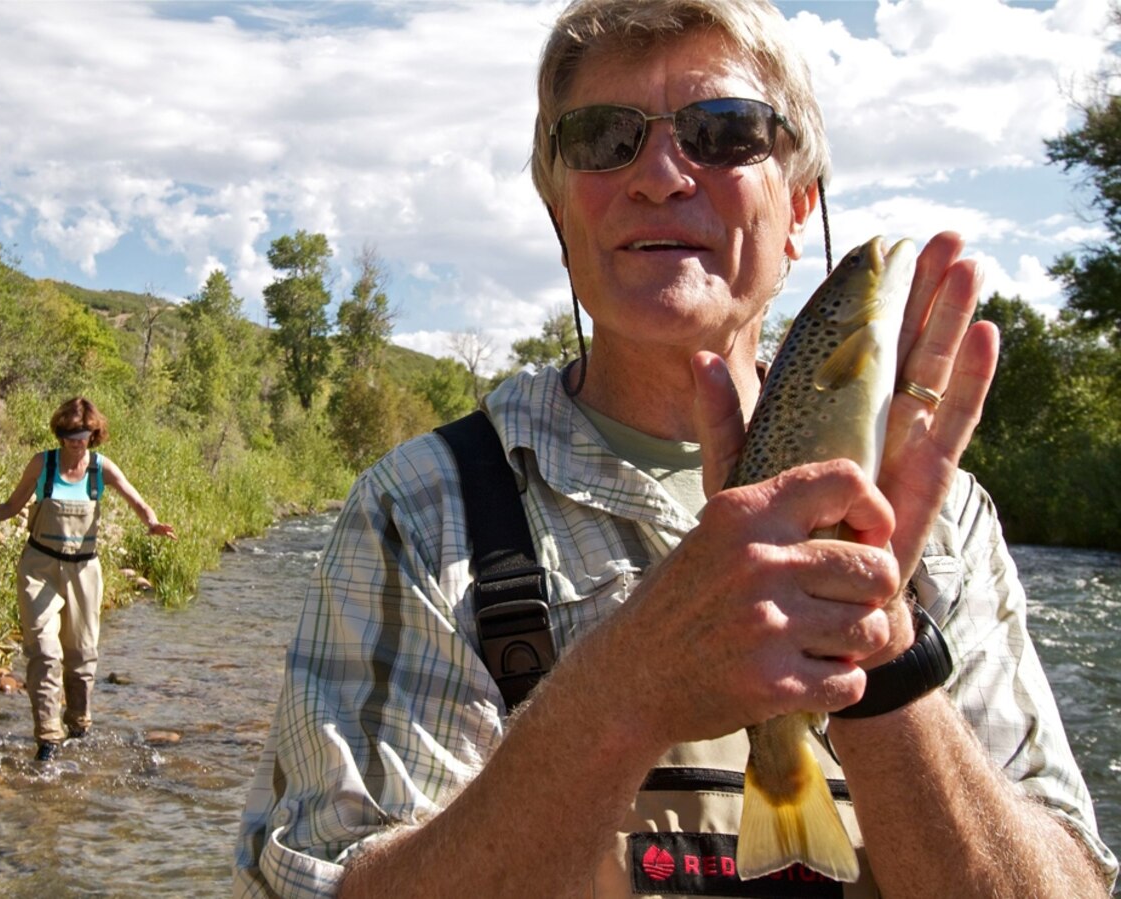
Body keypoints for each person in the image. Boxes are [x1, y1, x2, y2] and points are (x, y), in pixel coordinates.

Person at [235, 0, 1118, 896]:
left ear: (800, 203)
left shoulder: (950, 522)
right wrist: (629, 685)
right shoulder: (420, 510)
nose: (659, 173)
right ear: (557, 205)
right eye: (602, 136)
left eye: (724, 132)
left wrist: (884, 651)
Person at [0, 396, 176, 762]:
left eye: (82, 435)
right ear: (60, 433)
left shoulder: (101, 468)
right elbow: (9, 508)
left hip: (85, 571)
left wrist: (151, 522)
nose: (75, 441)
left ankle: (79, 725)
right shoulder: (43, 463)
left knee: (82, 656)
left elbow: (136, 500)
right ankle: (48, 738)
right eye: (69, 435)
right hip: (40, 569)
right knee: (45, 653)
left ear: (93, 434)